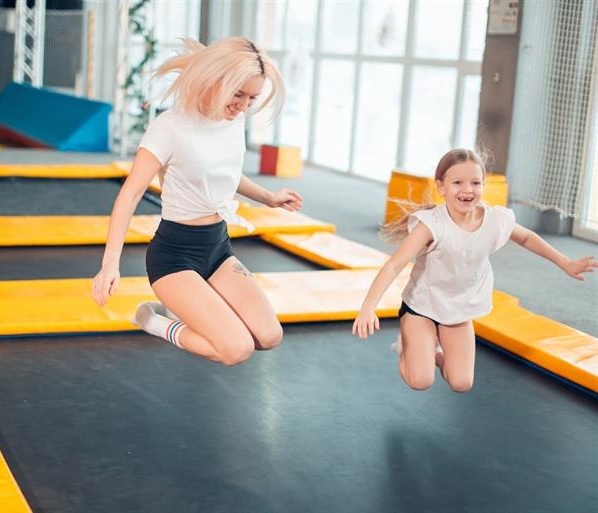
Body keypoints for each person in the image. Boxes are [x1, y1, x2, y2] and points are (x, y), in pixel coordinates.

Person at [92, 37, 302, 366]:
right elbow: (129, 194)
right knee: (236, 349)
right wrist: (109, 264)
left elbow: (226, 173)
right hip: (174, 256)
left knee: (268, 336)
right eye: (238, 94)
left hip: (217, 248)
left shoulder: (233, 121)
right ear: (216, 79)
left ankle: (189, 308)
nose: (243, 106)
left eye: (252, 98)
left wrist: (269, 198)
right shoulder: (169, 128)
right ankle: (154, 321)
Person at [352, 148, 597, 392]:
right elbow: (394, 264)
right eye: (457, 182)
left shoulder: (494, 219)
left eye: (475, 183)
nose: (467, 189)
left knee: (461, 383)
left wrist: (565, 262)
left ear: (483, 185)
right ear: (441, 187)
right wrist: (368, 307)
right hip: (422, 307)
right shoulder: (432, 224)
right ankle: (408, 348)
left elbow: (526, 238)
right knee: (421, 380)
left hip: (459, 310)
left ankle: (435, 354)